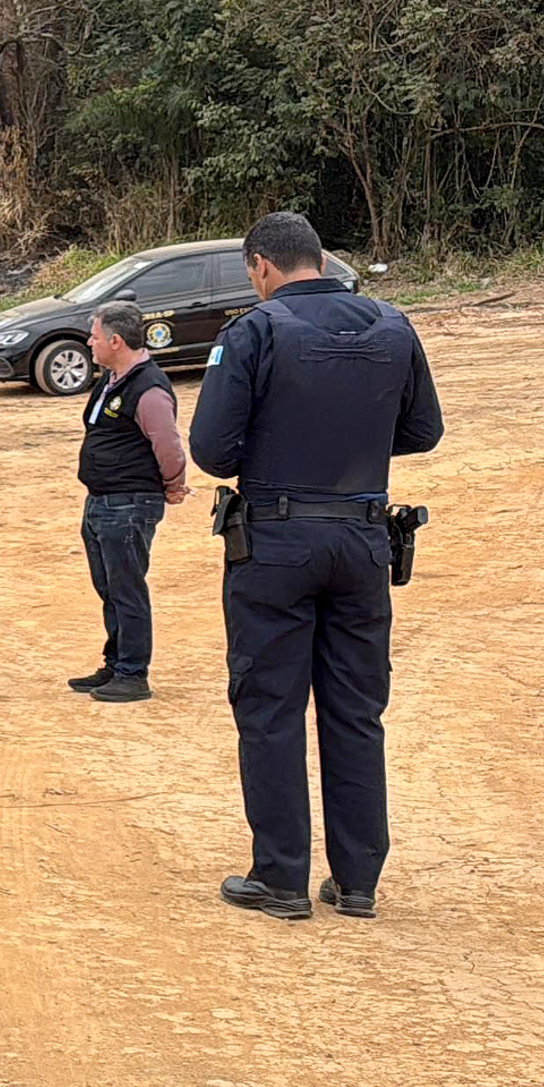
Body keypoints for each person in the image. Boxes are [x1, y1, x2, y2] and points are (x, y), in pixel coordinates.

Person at [189, 211, 444, 922]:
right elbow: (424, 430)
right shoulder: (392, 323)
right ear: (322, 260)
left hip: (274, 541)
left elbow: (211, 448)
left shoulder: (253, 331)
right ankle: (356, 881)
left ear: (260, 266)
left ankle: (278, 876)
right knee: (355, 710)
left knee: (269, 707)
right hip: (362, 537)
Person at [70, 301, 188, 703]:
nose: (90, 342)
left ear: (116, 341)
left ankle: (133, 673)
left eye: (95, 336)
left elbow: (168, 445)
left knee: (127, 589)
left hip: (128, 504)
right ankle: (115, 663)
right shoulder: (113, 379)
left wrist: (173, 484)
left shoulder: (148, 388)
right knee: (109, 587)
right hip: (103, 501)